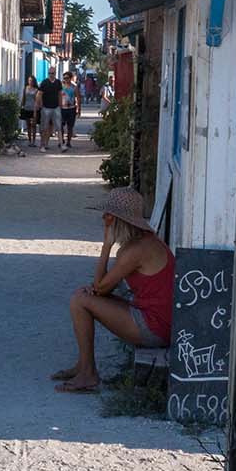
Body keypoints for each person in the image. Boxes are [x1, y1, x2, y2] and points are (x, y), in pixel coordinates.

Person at [54, 187, 175, 393]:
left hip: (155, 328)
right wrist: (97, 292)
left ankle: (88, 374)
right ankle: (83, 366)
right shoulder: (144, 242)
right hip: (154, 317)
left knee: (79, 301)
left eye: (108, 215)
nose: (103, 218)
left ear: (119, 219)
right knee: (83, 297)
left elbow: (100, 287)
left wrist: (106, 244)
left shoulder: (135, 250)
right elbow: (102, 289)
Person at [37, 70, 63, 150]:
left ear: (55, 73)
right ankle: (42, 145)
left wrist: (60, 105)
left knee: (59, 127)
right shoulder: (44, 82)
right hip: (46, 107)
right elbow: (40, 94)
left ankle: (61, 144)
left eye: (53, 73)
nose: (51, 75)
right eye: (50, 73)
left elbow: (60, 94)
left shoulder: (58, 82)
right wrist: (41, 105)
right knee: (44, 127)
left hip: (56, 107)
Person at [59, 71, 80, 150]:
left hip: (71, 108)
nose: (65, 80)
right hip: (62, 108)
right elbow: (58, 96)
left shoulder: (74, 87)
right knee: (60, 125)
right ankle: (62, 140)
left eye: (67, 78)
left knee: (70, 126)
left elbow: (78, 98)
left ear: (70, 78)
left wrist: (79, 109)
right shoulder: (61, 86)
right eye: (64, 78)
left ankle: (68, 141)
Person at [20, 78, 40, 147]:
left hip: (34, 109)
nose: (30, 82)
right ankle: (29, 140)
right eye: (29, 80)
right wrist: (21, 106)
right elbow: (23, 98)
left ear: (34, 82)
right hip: (27, 108)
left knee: (33, 125)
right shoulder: (25, 88)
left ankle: (33, 141)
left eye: (31, 81)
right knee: (28, 125)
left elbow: (37, 100)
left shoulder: (36, 90)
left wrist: (36, 109)